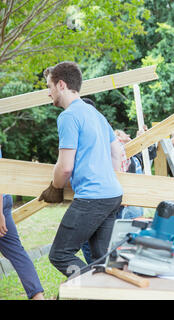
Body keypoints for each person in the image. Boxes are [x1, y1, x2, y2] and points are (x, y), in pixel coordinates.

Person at [40, 61, 123, 277]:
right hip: (112, 194)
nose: (48, 94)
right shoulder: (96, 114)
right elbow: (117, 153)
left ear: (61, 85)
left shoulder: (68, 116)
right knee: (101, 260)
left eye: (49, 87)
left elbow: (65, 167)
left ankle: (88, 286)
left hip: (92, 197)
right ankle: (102, 288)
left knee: (59, 254)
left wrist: (55, 187)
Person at [0, 147, 45, 300]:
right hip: (4, 199)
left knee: (16, 252)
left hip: (1, 202)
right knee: (16, 252)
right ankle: (38, 297)